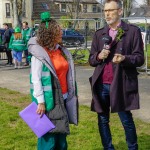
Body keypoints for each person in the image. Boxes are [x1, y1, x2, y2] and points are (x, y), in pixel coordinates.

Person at [89, 0, 144, 150]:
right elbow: (91, 60)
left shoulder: (132, 31)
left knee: (126, 119)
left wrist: (125, 58)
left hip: (121, 83)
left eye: (111, 10)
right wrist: (99, 56)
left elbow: (139, 58)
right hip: (101, 84)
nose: (107, 14)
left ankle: (132, 147)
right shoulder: (99, 34)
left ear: (120, 11)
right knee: (102, 120)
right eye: (105, 11)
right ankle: (108, 147)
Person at [28, 12, 78, 150]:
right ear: (50, 33)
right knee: (48, 140)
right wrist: (40, 101)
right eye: (58, 30)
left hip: (63, 98)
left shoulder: (60, 50)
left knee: (61, 139)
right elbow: (36, 79)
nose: (62, 32)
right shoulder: (39, 54)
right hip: (49, 102)